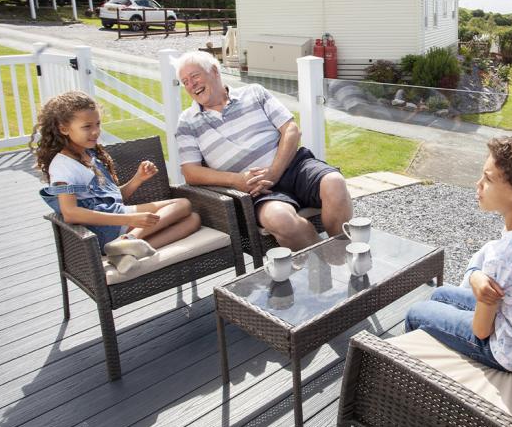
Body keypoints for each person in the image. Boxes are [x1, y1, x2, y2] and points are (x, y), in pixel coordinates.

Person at [405, 135, 512, 374]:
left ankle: (415, 378)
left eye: (488, 179)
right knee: (440, 294)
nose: (478, 183)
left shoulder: (503, 256)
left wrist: (476, 277)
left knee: (415, 313)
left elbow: (481, 331)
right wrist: (475, 277)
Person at [174, 51, 352, 251]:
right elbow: (190, 172)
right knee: (281, 219)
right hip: (255, 188)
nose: (192, 85)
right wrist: (236, 180)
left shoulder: (254, 92)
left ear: (214, 71)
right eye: (185, 82)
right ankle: (331, 262)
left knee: (334, 183)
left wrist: (274, 172)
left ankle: (344, 253)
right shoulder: (187, 123)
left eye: (195, 76)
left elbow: (291, 130)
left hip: (292, 167)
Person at [31, 91, 201, 274]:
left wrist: (138, 179)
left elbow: (111, 199)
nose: (95, 131)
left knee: (193, 219)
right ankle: (127, 241)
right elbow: (70, 213)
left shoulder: (88, 154)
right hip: (105, 228)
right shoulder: (63, 168)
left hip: (116, 215)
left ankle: (124, 253)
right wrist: (129, 219)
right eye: (87, 126)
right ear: (64, 128)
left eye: (98, 124)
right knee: (183, 204)